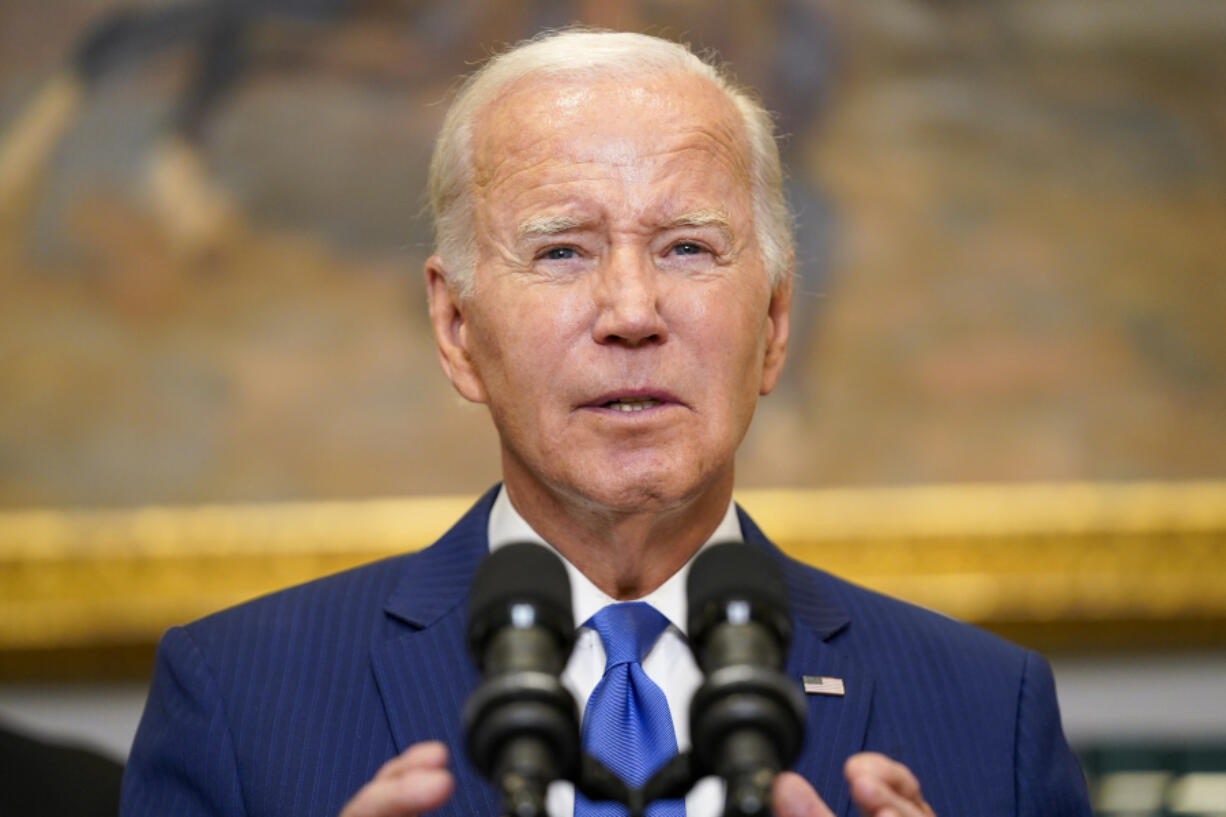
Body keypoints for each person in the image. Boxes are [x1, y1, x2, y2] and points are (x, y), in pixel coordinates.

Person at [120, 29, 1092, 817]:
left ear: (775, 325)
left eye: (684, 246)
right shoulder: (237, 701)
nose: (631, 311)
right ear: (455, 328)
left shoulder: (982, 713)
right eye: (560, 252)